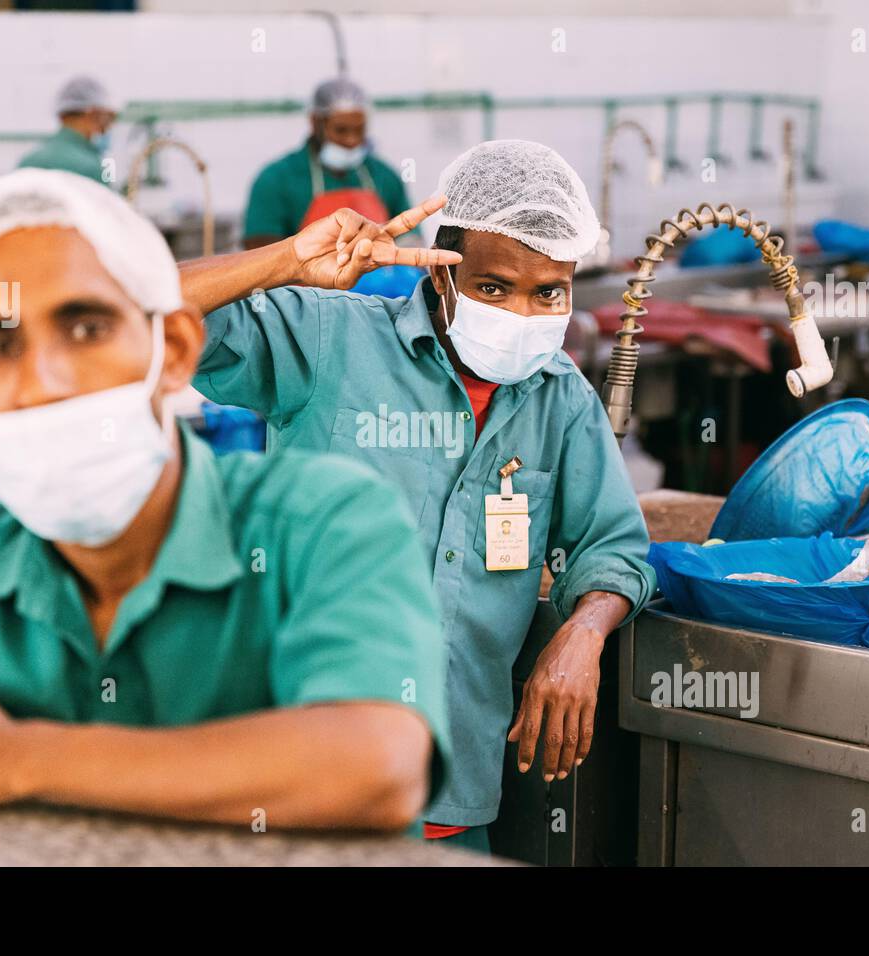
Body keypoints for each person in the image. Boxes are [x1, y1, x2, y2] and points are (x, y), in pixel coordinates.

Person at [0, 169, 449, 830]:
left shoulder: (320, 522)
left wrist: (8, 760)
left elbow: (376, 762)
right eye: (0, 345)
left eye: (86, 329)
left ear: (173, 348)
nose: (46, 378)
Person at [181, 139, 656, 852]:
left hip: (451, 789)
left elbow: (613, 546)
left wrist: (584, 632)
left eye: (547, 292)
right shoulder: (327, 340)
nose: (523, 312)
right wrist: (286, 263)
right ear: (441, 276)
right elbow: (133, 311)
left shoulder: (560, 399)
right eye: (494, 287)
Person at [242, 77, 411, 249]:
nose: (351, 140)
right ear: (315, 123)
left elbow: (409, 238)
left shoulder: (383, 176)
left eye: (359, 130)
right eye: (341, 130)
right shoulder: (276, 179)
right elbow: (260, 253)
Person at [18, 75, 116, 184]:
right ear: (92, 114)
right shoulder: (95, 169)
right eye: (106, 119)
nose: (107, 128)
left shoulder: (27, 163)